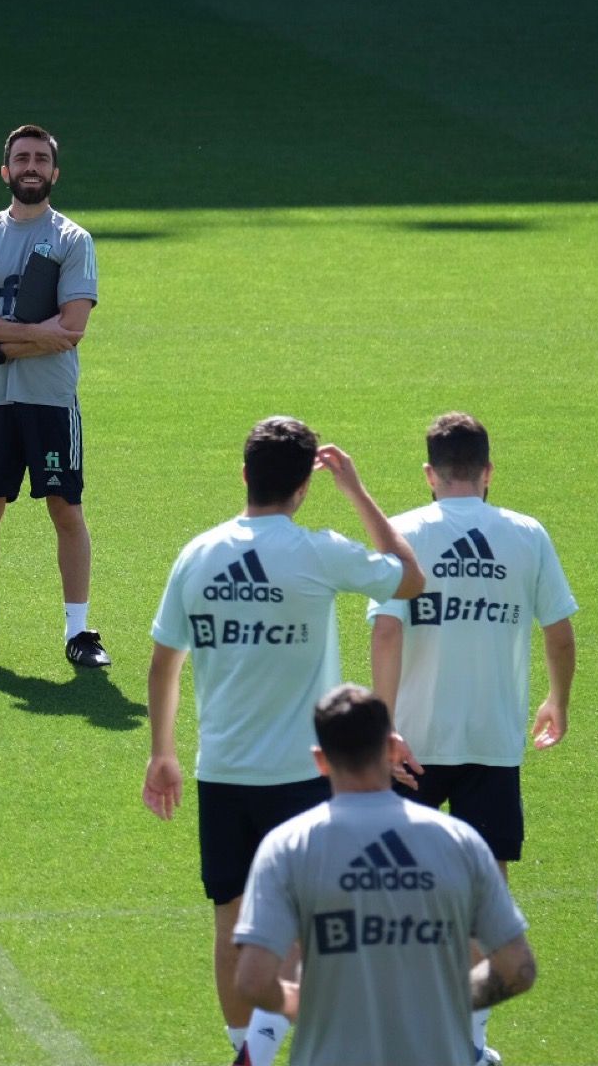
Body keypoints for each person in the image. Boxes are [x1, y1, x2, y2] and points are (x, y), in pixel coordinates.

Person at [142, 416, 425, 1066]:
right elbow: (409, 579)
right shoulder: (319, 551)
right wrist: (355, 491)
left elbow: (164, 661)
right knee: (296, 922)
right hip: (300, 774)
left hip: (222, 772)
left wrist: (163, 752)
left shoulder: (198, 553)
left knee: (229, 920)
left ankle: (245, 1047)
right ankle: (265, 1050)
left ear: (245, 474)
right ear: (304, 486)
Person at [366, 411, 577, 1061]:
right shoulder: (526, 534)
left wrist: (384, 725)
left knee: (400, 890)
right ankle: (469, 1043)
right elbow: (560, 632)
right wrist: (556, 701)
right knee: (487, 895)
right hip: (492, 743)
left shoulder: (401, 531)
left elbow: (387, 631)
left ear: (430, 475)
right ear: (488, 472)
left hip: (413, 747)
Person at [234, 685, 537, 1066]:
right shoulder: (460, 842)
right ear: (394, 750)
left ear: (320, 761)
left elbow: (253, 981)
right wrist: (442, 1002)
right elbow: (518, 968)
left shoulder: (288, 847)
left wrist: (298, 1004)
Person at [0, 124, 107, 670]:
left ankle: (80, 632)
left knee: (66, 508)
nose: (30, 166)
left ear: (54, 173)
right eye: (21, 158)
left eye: (40, 159)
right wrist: (38, 336)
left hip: (51, 400)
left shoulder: (72, 240)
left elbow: (73, 326)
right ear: (5, 171)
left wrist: (1, 346)